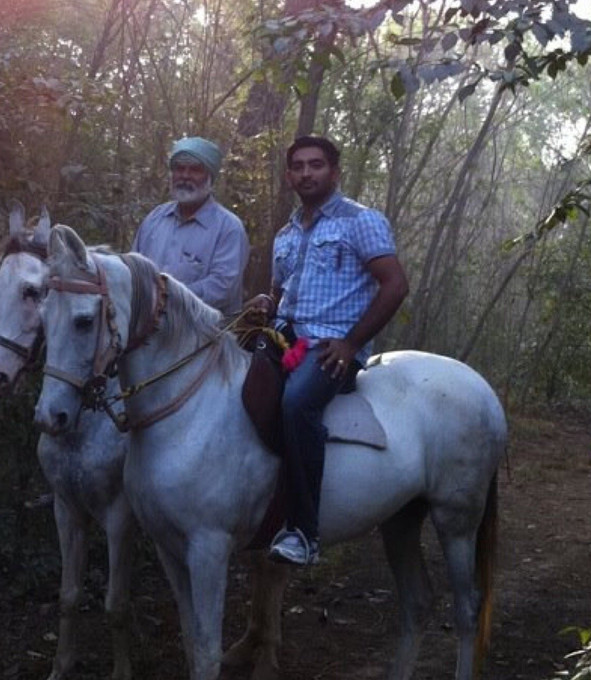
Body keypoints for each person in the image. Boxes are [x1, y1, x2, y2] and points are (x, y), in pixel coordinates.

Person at [260, 135, 409, 566]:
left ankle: (304, 533)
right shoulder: (285, 234)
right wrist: (264, 306)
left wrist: (352, 342)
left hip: (330, 348)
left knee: (296, 404)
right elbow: (279, 291)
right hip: (285, 339)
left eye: (316, 165)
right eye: (299, 167)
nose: (307, 173)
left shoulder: (360, 221)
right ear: (289, 175)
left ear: (334, 171)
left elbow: (395, 284)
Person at [132, 136, 250, 316]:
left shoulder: (229, 228)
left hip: (204, 336)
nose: (185, 176)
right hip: (148, 330)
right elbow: (134, 269)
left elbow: (222, 289)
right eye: (179, 168)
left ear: (210, 177)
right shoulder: (155, 218)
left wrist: (165, 297)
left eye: (195, 169)